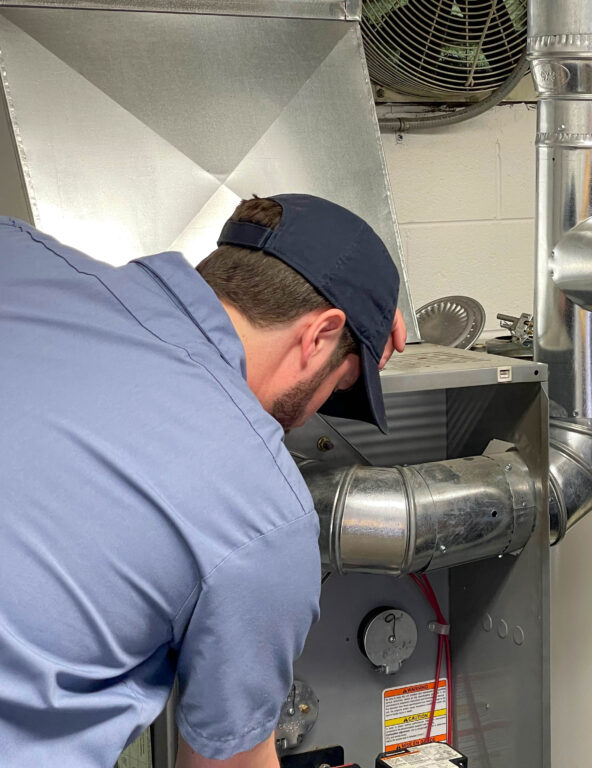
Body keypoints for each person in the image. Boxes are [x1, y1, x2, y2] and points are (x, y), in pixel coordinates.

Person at [0, 194, 406, 767]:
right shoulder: (265, 515)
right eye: (338, 387)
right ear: (319, 335)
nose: (316, 410)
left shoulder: (18, 248)